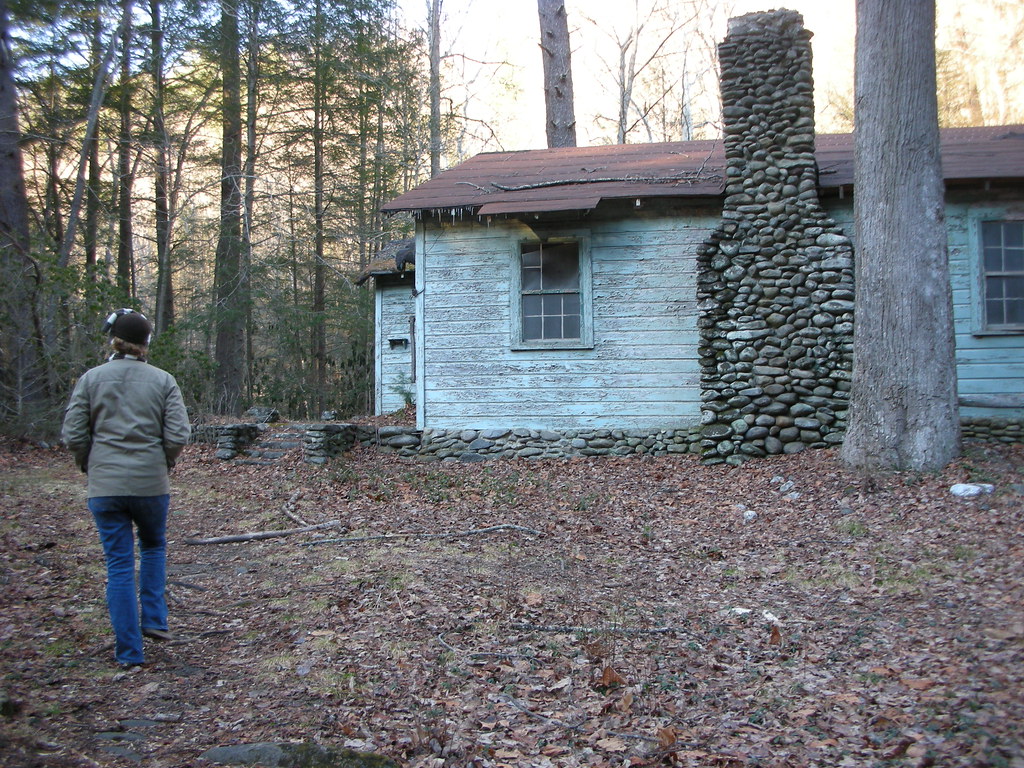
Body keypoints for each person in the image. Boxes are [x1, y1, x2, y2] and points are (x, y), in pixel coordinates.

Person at [62, 309, 191, 666]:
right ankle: (155, 619)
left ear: (113, 339)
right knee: (152, 546)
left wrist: (90, 463)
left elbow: (73, 434)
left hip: (105, 486)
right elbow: (179, 434)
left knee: (118, 564)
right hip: (151, 483)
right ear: (146, 343)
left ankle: (129, 653)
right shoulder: (163, 380)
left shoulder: (91, 379)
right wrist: (164, 460)